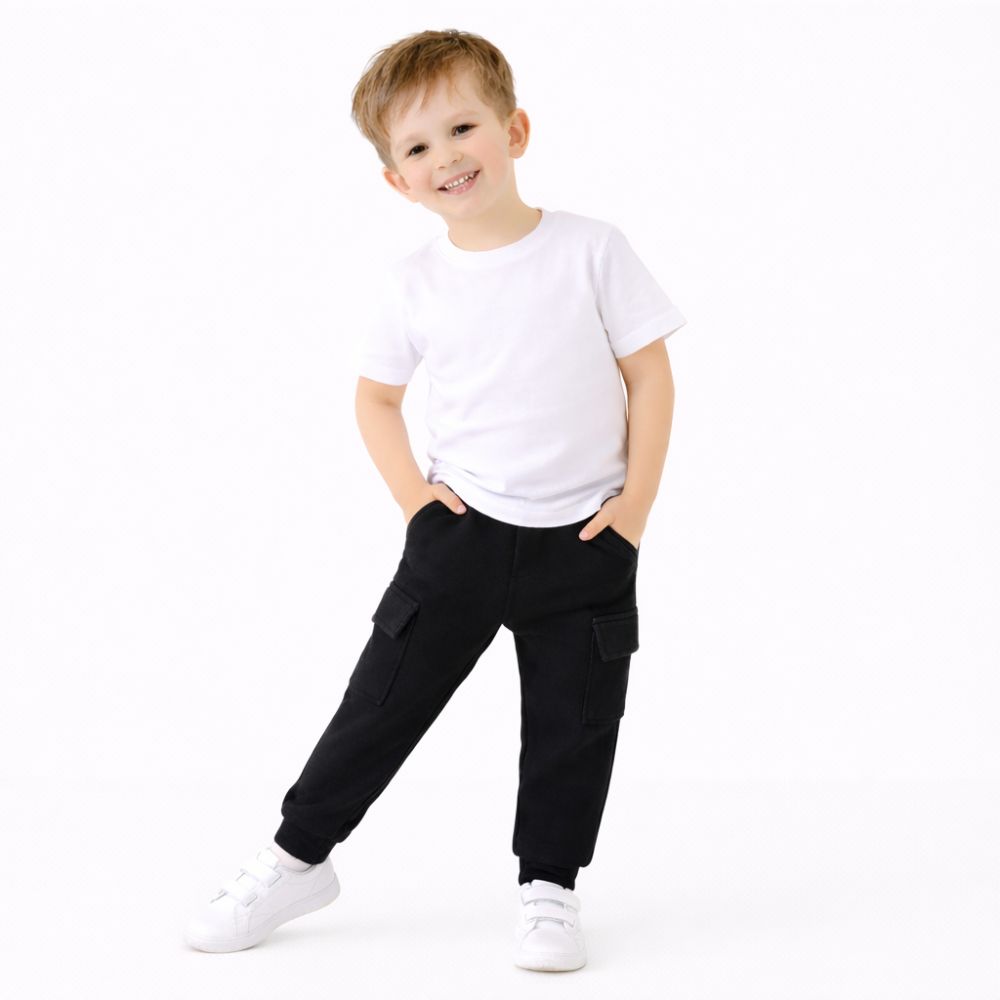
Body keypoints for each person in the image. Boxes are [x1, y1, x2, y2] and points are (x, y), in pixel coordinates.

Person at [184, 28, 687, 972]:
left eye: (463, 128)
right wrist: (417, 505)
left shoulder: (592, 250)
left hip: (585, 540)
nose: (447, 156)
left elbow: (650, 377)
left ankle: (550, 887)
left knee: (575, 723)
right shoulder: (413, 283)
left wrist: (633, 514)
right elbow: (375, 400)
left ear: (514, 130)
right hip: (460, 538)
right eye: (418, 146)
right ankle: (297, 858)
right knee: (379, 704)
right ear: (397, 180)